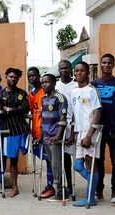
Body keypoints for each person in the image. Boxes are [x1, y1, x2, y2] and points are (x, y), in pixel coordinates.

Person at [90, 53, 115, 205]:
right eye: (104, 62)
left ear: (113, 65)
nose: (106, 65)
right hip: (98, 130)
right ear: (100, 64)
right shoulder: (93, 84)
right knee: (99, 161)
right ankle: (99, 191)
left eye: (109, 63)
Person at [70, 61, 102, 207]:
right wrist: (72, 134)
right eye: (76, 71)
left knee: (91, 164)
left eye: (81, 71)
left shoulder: (92, 90)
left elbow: (97, 112)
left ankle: (90, 198)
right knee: (77, 165)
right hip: (78, 131)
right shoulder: (74, 92)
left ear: (88, 73)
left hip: (90, 132)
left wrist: (89, 135)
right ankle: (93, 184)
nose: (78, 73)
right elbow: (74, 115)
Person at [0, 67, 30, 198]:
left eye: (15, 77)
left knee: (23, 156)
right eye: (11, 77)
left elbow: (25, 109)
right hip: (9, 132)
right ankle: (14, 187)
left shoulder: (22, 93)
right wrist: (16, 109)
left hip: (22, 130)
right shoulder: (0, 95)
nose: (13, 79)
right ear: (6, 77)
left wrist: (9, 109)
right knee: (12, 159)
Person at [36, 74, 68, 202]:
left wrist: (58, 135)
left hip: (55, 138)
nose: (44, 85)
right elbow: (44, 120)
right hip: (46, 138)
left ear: (54, 83)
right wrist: (40, 136)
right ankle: (59, 189)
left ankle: (60, 192)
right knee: (51, 163)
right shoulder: (43, 98)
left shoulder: (59, 97)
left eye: (47, 82)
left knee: (56, 165)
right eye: (43, 82)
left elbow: (63, 118)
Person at [27, 67, 54, 199]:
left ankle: (51, 186)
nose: (32, 79)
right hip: (36, 132)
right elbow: (32, 113)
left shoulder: (46, 91)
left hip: (47, 132)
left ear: (38, 76)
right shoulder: (31, 94)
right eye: (29, 76)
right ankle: (50, 185)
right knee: (43, 159)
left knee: (49, 160)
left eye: (34, 76)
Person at [56, 60, 77, 195]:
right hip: (60, 125)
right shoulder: (56, 85)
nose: (64, 70)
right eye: (61, 68)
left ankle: (92, 187)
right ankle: (68, 185)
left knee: (78, 157)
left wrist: (73, 130)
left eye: (66, 68)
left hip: (75, 124)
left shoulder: (76, 84)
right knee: (64, 158)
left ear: (71, 69)